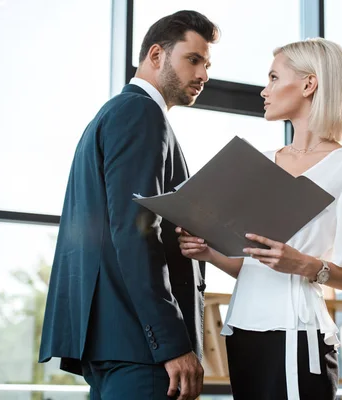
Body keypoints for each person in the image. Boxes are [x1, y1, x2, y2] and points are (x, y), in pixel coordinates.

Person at [177, 38, 342, 400]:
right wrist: (209, 252)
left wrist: (308, 265)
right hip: (243, 329)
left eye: (274, 78)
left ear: (309, 84)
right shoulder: (258, 162)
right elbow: (252, 265)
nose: (264, 90)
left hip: (298, 335)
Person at [38, 11, 219, 400]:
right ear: (156, 55)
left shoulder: (113, 114)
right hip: (144, 351)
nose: (204, 74)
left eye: (207, 64)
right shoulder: (141, 113)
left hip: (114, 344)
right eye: (193, 59)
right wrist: (172, 342)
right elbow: (136, 230)